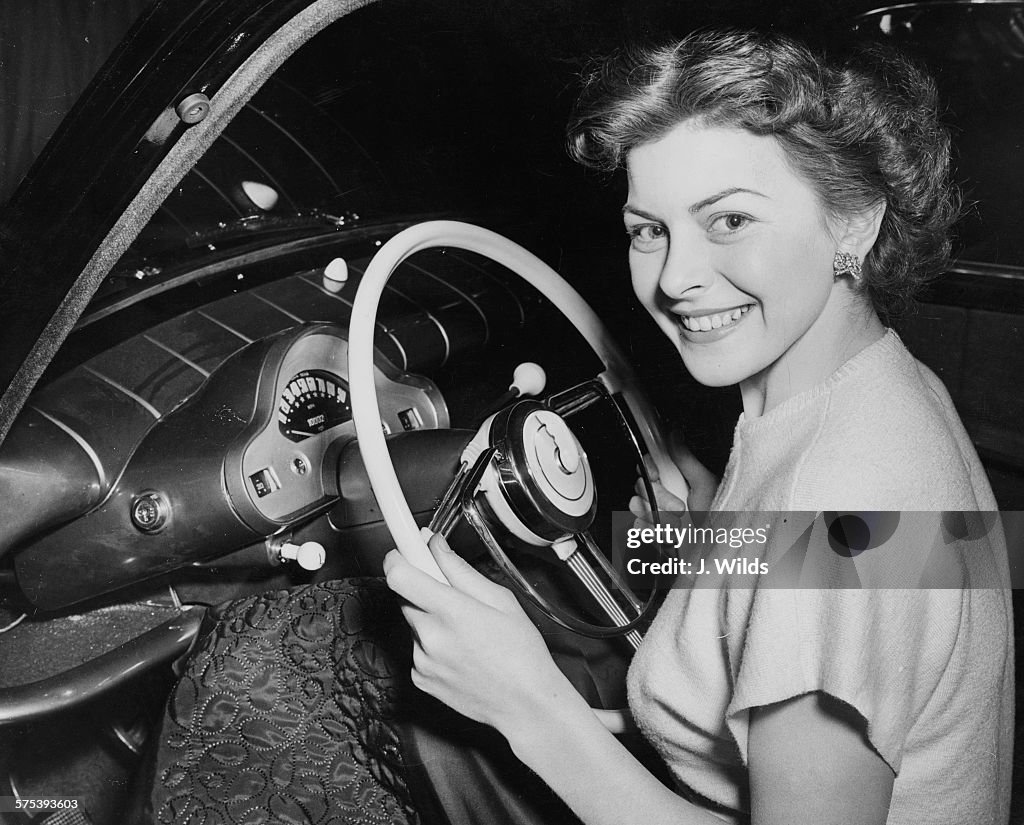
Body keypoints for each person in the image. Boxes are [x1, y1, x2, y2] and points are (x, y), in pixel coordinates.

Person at [382, 29, 1014, 825]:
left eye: (730, 221)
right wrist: (689, 540)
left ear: (854, 223)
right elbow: (867, 569)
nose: (675, 277)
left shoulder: (843, 489)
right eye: (649, 229)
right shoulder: (879, 388)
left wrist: (528, 706)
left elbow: (832, 568)